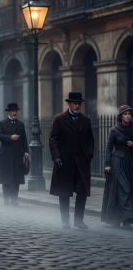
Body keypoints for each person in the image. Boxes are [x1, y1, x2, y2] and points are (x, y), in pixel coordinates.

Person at [49, 91, 94, 229]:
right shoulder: (59, 119)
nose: (77, 105)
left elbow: (90, 139)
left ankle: (79, 220)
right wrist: (56, 156)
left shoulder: (86, 119)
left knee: (82, 191)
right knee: (64, 192)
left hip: (81, 163)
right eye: (74, 103)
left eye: (79, 103)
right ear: (68, 103)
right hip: (65, 162)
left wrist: (88, 155)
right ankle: (65, 220)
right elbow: (53, 140)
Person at [101, 105, 133, 229]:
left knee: (129, 190)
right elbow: (109, 148)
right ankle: (117, 217)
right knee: (124, 189)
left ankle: (125, 220)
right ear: (120, 116)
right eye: (125, 114)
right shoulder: (114, 130)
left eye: (129, 113)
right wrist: (107, 165)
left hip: (130, 162)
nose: (128, 116)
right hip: (117, 162)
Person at [0, 103, 29, 206]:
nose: (14, 112)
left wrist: (26, 151)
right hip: (6, 155)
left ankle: (14, 200)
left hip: (18, 155)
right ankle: (6, 199)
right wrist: (10, 137)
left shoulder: (21, 124)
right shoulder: (2, 123)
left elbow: (24, 139)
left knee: (16, 179)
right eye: (12, 111)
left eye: (15, 111)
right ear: (8, 112)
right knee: (6, 179)